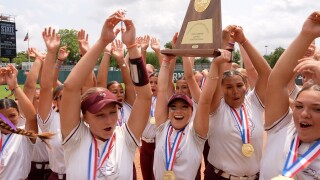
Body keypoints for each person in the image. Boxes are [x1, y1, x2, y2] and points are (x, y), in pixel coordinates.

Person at [59, 11, 152, 179]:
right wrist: (102, 42)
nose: (109, 120)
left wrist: (131, 47)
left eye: (113, 112)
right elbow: (71, 87)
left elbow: (145, 96)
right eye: (100, 115)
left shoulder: (125, 138)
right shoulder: (76, 138)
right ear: (84, 117)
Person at [204, 25, 271, 179]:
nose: (235, 91)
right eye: (228, 87)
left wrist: (243, 41)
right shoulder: (217, 107)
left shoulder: (254, 102)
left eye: (239, 85)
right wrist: (224, 43)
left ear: (246, 86)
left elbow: (266, 74)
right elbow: (219, 72)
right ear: (220, 88)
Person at [153, 49, 231, 180]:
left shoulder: (196, 133)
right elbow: (161, 90)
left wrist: (215, 64)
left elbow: (205, 101)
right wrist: (165, 61)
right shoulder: (162, 127)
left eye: (184, 107)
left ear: (192, 111)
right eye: (173, 107)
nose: (178, 111)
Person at [260, 11, 320, 179]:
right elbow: (276, 82)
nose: (304, 113)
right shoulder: (282, 128)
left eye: (317, 109)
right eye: (299, 106)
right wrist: (306, 34)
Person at [0, 64, 53, 179]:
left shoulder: (23, 135)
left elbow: (31, 117)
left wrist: (15, 87)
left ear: (20, 115)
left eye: (12, 115)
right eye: (2, 116)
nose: (7, 120)